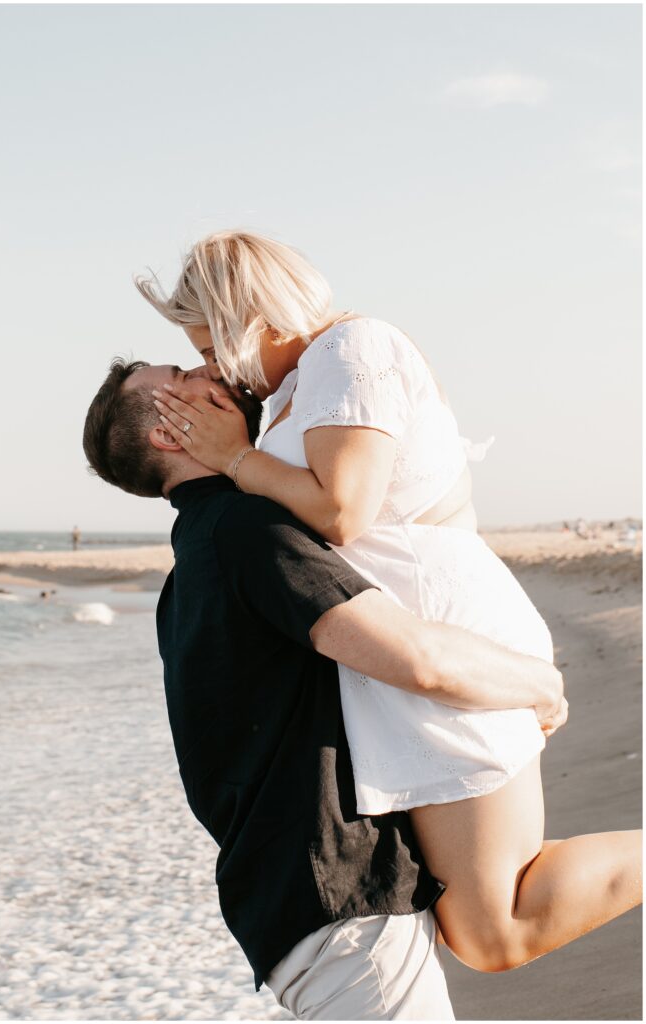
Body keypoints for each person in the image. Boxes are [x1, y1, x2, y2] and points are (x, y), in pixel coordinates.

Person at [137, 229, 642, 975]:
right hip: (396, 652)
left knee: (493, 928)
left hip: (439, 634)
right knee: (475, 923)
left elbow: (343, 511)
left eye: (212, 348)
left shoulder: (352, 350)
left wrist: (235, 459)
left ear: (254, 318)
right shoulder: (299, 386)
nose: (214, 367)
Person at [83, 360, 566, 1020]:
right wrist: (537, 686)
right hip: (341, 913)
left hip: (302, 910)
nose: (205, 367)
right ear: (170, 431)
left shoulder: (189, 573)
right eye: (178, 375)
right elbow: (414, 657)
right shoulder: (243, 533)